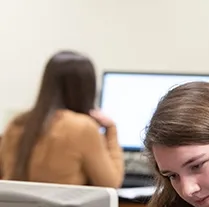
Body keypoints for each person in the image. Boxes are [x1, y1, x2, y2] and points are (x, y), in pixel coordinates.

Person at [0, 50, 124, 188]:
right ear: (87, 88)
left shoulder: (17, 123)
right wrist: (111, 129)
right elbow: (111, 184)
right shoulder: (82, 127)